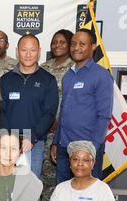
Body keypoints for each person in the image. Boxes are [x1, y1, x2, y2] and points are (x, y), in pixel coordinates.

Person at [51, 29, 114, 184]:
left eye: (82, 44)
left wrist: (92, 148)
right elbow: (64, 112)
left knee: (88, 194)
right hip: (64, 147)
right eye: (73, 44)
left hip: (86, 149)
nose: (76, 48)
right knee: (64, 191)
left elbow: (104, 115)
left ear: (93, 46)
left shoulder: (101, 75)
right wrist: (56, 142)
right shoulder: (68, 76)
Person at [0, 34, 59, 180]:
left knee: (30, 188)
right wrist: (8, 139)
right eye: (24, 50)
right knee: (7, 185)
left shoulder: (48, 80)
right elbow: (1, 111)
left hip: (34, 143)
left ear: (39, 52)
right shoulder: (5, 80)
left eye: (32, 50)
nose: (28, 54)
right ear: (17, 51)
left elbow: (49, 113)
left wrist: (32, 137)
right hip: (9, 142)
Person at [37, 29, 74, 201]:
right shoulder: (44, 68)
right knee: (43, 171)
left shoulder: (74, 68)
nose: (58, 45)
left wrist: (58, 124)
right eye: (55, 41)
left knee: (59, 175)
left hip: (64, 131)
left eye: (63, 42)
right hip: (43, 128)